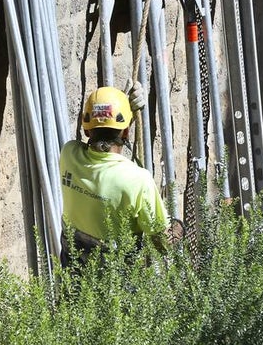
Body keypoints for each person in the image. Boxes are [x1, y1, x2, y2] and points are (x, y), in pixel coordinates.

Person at [59, 85, 179, 267]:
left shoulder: (68, 154)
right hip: (118, 279)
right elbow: (161, 242)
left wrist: (122, 114)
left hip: (73, 273)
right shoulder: (138, 180)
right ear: (126, 131)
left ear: (86, 130)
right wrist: (178, 229)